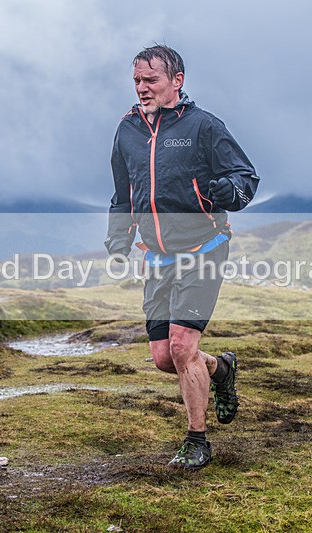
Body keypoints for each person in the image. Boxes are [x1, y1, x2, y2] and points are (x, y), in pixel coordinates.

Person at [105, 45, 259, 469]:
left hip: (203, 249)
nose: (142, 88)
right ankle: (222, 371)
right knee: (162, 357)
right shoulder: (127, 131)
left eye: (150, 80)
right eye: (137, 80)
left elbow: (246, 178)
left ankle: (197, 440)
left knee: (181, 345)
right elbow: (124, 192)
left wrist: (228, 192)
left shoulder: (204, 126)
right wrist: (118, 237)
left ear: (177, 81)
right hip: (156, 255)